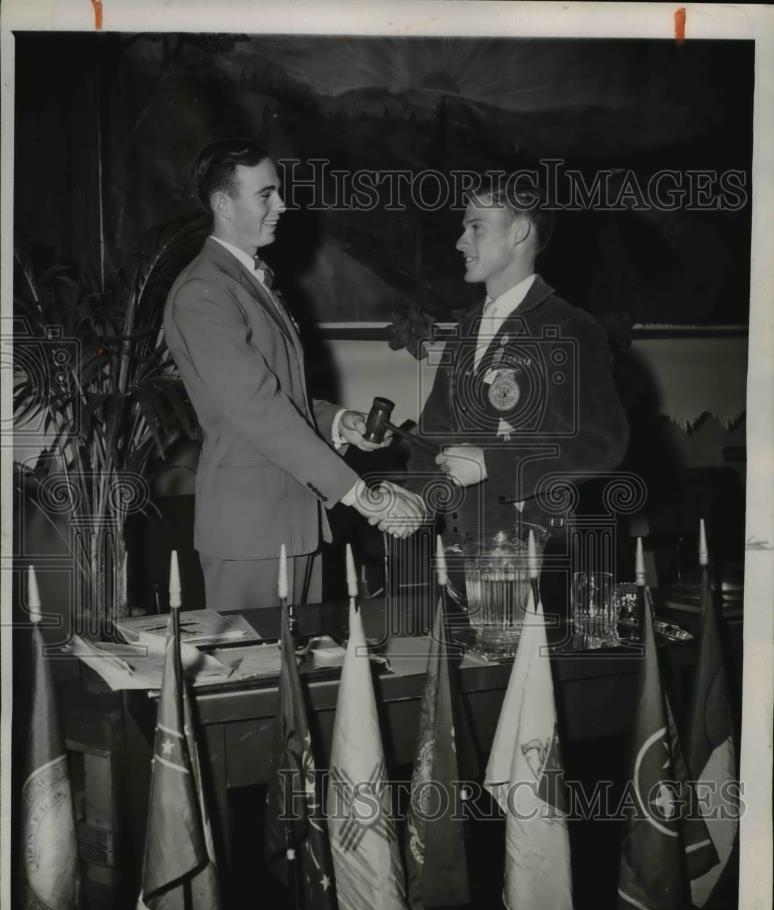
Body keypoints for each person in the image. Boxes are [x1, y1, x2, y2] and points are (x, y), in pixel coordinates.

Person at [163, 139, 424, 610]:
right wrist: (363, 497)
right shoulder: (204, 291)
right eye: (266, 194)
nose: (282, 205)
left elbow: (282, 395)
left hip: (294, 520)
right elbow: (258, 409)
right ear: (224, 204)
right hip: (251, 532)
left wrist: (337, 422)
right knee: (259, 676)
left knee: (299, 674)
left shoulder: (250, 280)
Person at [406, 174, 629, 546]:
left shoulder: (569, 326)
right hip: (461, 545)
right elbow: (434, 435)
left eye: (476, 227)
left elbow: (601, 443)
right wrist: (415, 499)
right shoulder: (465, 331)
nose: (461, 242)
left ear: (519, 231)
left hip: (536, 547)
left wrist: (492, 463)